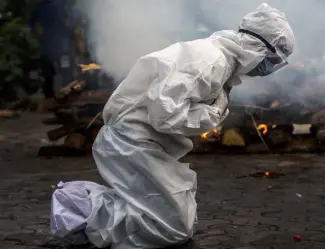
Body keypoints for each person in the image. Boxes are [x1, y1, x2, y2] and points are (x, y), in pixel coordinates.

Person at [49, 3, 295, 248]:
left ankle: (88, 213)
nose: (271, 68)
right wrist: (213, 114)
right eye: (274, 59)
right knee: (171, 228)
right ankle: (76, 205)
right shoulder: (210, 63)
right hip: (131, 142)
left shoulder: (219, 62)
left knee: (176, 220)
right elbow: (164, 115)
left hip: (141, 142)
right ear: (259, 48)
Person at [30, 0, 78, 98]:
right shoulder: (40, 5)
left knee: (66, 70)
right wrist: (37, 33)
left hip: (63, 42)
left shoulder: (63, 3)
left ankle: (69, 94)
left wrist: (72, 31)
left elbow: (73, 19)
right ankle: (49, 98)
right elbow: (32, 22)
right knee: (47, 71)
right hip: (47, 43)